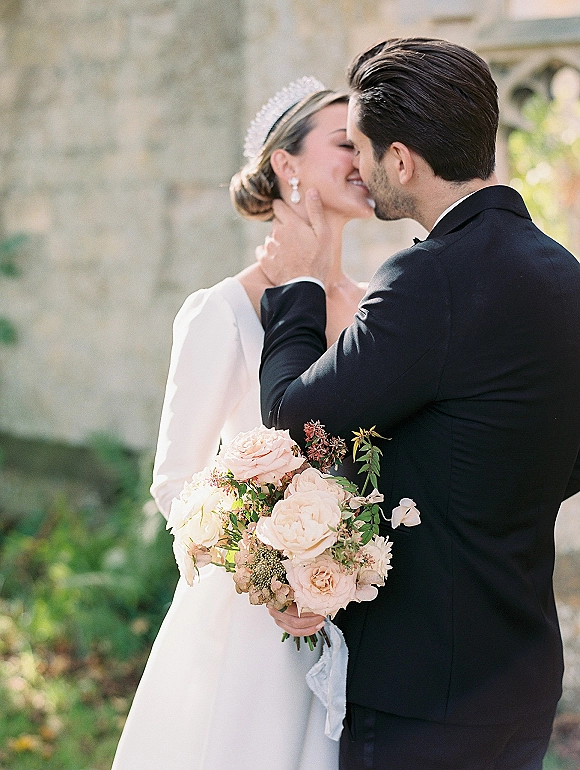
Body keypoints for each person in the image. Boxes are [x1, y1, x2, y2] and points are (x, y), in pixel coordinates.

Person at [257, 39, 580, 770]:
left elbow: (294, 421)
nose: (362, 169)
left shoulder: (427, 277)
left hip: (424, 694)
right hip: (524, 680)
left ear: (401, 161)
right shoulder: (565, 273)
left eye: (366, 149)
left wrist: (299, 290)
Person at [110, 78, 375, 770]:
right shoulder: (222, 312)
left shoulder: (379, 308)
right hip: (252, 626)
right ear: (286, 166)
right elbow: (175, 483)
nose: (365, 157)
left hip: (362, 614)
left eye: (368, 144)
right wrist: (276, 577)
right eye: (345, 142)